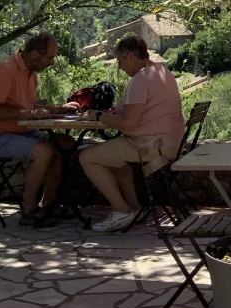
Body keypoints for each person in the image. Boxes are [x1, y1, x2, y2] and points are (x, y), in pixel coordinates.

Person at [79, 35, 185, 233]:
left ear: (130, 55)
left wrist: (99, 116)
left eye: (120, 60)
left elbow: (128, 123)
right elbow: (130, 109)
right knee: (116, 159)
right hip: (171, 145)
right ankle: (134, 208)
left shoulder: (141, 79)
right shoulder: (162, 71)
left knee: (86, 157)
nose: (119, 66)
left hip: (150, 147)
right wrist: (110, 113)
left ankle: (121, 211)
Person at [0, 31, 78, 228]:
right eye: (50, 57)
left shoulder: (31, 73)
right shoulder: (5, 69)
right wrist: (26, 114)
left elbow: (28, 106)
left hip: (19, 132)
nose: (52, 63)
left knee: (65, 144)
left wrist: (58, 109)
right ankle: (29, 210)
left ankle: (49, 203)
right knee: (43, 151)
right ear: (34, 54)